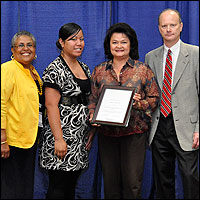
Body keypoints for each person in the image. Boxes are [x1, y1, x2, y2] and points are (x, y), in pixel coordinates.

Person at [88, 22, 159, 199]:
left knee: (132, 183)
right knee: (110, 183)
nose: (119, 46)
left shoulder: (143, 70)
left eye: (123, 42)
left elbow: (155, 98)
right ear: (109, 45)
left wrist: (138, 103)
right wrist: (92, 114)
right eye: (115, 42)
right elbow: (92, 99)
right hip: (107, 134)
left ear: (131, 45)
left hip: (134, 134)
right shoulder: (99, 71)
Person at [145, 8, 199, 199]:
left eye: (172, 25)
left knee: (189, 176)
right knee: (162, 179)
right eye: (164, 26)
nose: (169, 29)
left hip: (187, 127)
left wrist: (198, 128)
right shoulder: (150, 57)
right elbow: (150, 93)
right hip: (159, 126)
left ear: (181, 26)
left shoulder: (195, 54)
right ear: (159, 28)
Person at [38, 23, 95, 199]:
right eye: (73, 39)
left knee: (70, 186)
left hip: (79, 139)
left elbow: (88, 101)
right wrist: (59, 139)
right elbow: (51, 105)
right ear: (62, 42)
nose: (79, 43)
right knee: (58, 187)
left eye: (82, 39)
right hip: (61, 137)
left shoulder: (84, 67)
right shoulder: (55, 69)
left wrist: (91, 131)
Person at [1, 30, 44, 199]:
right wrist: (2, 139)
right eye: (21, 45)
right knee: (11, 188)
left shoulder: (33, 72)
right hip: (12, 141)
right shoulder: (8, 69)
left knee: (25, 186)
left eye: (30, 45)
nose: (26, 49)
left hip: (30, 139)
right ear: (13, 50)